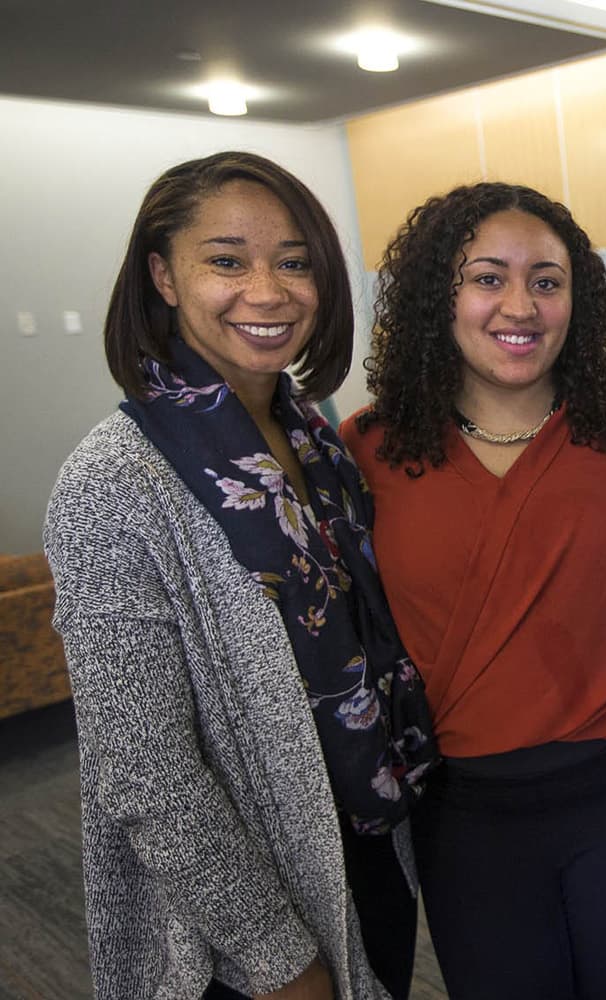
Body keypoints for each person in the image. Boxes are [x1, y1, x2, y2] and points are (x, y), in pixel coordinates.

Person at [43, 151, 437, 1000]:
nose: (268, 290)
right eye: (226, 260)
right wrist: (275, 956)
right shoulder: (113, 482)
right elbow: (142, 767)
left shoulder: (317, 440)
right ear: (164, 276)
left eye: (294, 262)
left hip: (362, 844)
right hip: (241, 915)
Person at [342, 182, 606, 1000]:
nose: (519, 305)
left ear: (576, 302)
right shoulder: (366, 451)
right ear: (437, 296)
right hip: (462, 816)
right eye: (487, 277)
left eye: (547, 281)